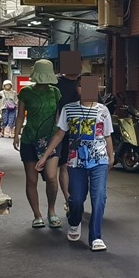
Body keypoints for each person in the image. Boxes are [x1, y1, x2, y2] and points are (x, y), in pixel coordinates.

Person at [37, 80, 114, 252]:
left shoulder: (103, 110)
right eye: (81, 86)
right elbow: (59, 134)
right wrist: (45, 156)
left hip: (99, 160)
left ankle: (96, 237)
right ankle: (74, 221)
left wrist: (111, 156)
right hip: (76, 160)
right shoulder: (69, 109)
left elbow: (107, 135)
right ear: (78, 89)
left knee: (99, 197)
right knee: (76, 199)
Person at [15, 60, 62, 229]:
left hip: (51, 140)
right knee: (31, 180)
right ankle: (37, 215)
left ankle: (51, 210)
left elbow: (58, 116)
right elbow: (20, 116)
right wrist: (16, 135)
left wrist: (61, 134)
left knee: (51, 177)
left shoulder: (56, 92)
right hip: (29, 138)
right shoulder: (25, 92)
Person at [56, 69, 81, 205]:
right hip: (63, 131)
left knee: (82, 169)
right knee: (65, 166)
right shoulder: (56, 82)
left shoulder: (85, 81)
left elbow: (97, 104)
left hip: (85, 133)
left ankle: (78, 198)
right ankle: (69, 201)